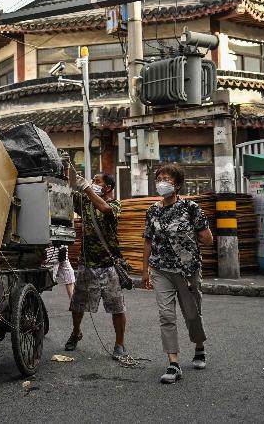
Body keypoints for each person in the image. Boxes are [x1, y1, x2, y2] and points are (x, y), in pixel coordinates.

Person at [141, 163, 213, 384]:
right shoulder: (152, 210)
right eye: (160, 178)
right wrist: (145, 271)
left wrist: (189, 243)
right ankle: (173, 363)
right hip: (161, 269)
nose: (162, 182)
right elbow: (147, 240)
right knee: (166, 316)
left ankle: (199, 346)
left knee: (192, 315)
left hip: (187, 270)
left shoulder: (191, 208)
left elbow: (207, 238)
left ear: (178, 184)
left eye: (168, 179)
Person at [65, 170, 127, 360]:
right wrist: (69, 171)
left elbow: (105, 209)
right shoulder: (85, 201)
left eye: (97, 181)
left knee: (117, 307)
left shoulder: (115, 204)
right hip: (86, 262)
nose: (93, 183)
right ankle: (76, 333)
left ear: (108, 187)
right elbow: (68, 190)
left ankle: (120, 344)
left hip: (109, 264)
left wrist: (86, 189)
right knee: (77, 304)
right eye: (92, 181)